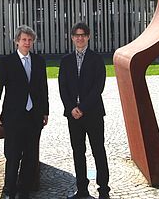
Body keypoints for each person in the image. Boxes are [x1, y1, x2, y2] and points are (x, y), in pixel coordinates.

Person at [0, 25, 49, 199]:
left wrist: (45, 112)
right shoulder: (6, 62)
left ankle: (24, 192)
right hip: (13, 118)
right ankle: (9, 191)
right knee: (13, 156)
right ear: (17, 41)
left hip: (34, 117)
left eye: (30, 40)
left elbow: (43, 89)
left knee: (30, 157)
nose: (27, 43)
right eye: (24, 39)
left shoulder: (39, 61)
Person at [58, 22, 110, 199]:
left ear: (88, 37)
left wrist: (82, 107)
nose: (79, 38)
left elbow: (99, 87)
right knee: (78, 152)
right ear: (72, 38)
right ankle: (81, 189)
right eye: (76, 35)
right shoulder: (66, 61)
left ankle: (104, 190)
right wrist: (72, 108)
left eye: (83, 35)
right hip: (73, 116)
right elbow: (62, 87)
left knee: (98, 150)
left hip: (93, 113)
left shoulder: (96, 59)